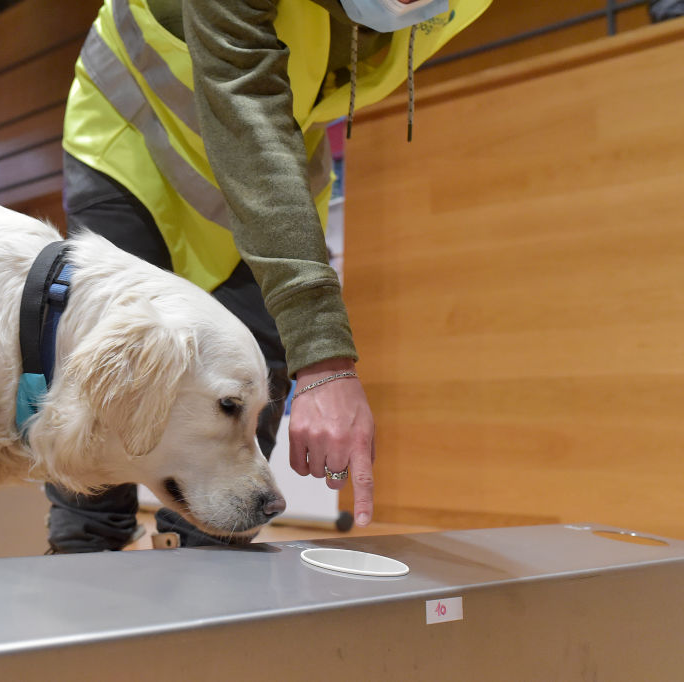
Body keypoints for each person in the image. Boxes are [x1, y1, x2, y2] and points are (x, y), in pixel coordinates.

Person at [47, 0, 490, 552]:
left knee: (257, 360)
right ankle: (82, 557)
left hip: (279, 152)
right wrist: (326, 359)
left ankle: (207, 580)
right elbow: (246, 109)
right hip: (140, 132)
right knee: (108, 354)